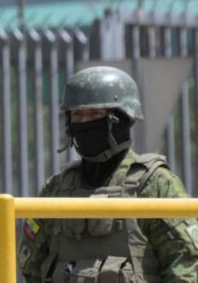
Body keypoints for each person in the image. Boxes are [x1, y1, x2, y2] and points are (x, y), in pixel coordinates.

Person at [18, 66, 198, 282]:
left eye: (95, 113)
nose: (85, 123)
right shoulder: (56, 190)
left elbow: (186, 266)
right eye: (77, 115)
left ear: (121, 118)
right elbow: (31, 269)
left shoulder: (153, 185)